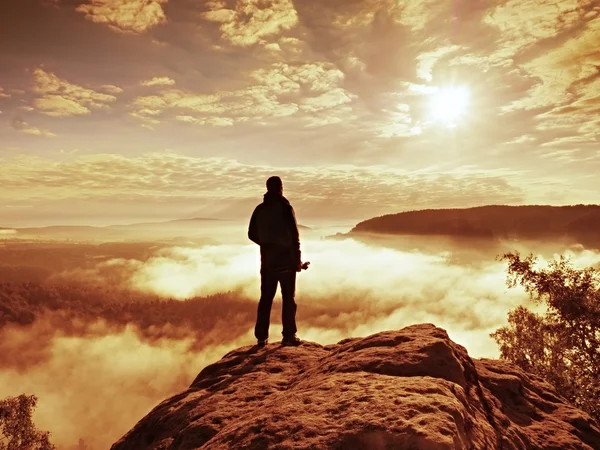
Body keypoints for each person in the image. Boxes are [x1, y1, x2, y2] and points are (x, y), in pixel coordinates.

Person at [248, 176, 304, 347]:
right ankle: (288, 336)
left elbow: (251, 234)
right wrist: (297, 261)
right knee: (288, 299)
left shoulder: (259, 209)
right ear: (281, 188)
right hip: (286, 261)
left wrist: (266, 244)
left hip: (267, 262)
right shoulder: (286, 208)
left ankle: (261, 338)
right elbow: (295, 236)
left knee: (266, 298)